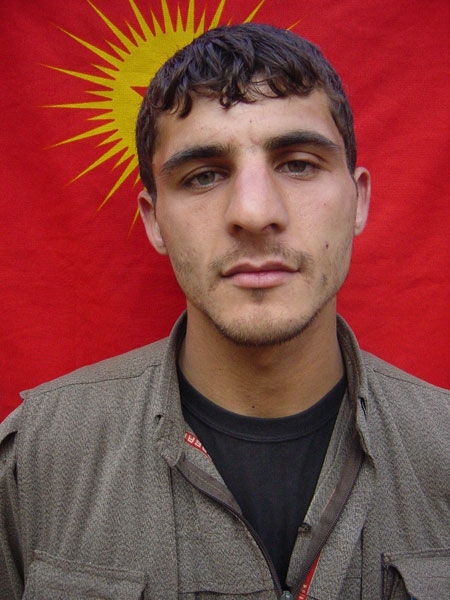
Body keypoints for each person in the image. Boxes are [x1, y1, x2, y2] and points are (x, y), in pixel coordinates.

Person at [0, 23, 449, 600]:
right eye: (204, 176)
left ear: (358, 200)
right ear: (155, 220)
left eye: (298, 164)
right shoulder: (37, 460)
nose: (254, 213)